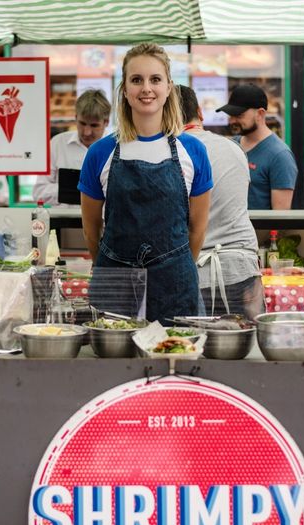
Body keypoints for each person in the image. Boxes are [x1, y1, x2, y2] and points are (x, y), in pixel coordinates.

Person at [78, 43, 212, 324]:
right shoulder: (100, 153)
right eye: (136, 80)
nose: (146, 88)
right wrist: (110, 266)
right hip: (114, 279)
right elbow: (91, 229)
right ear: (125, 90)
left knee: (176, 358)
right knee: (111, 362)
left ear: (168, 88)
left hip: (175, 281)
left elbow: (198, 229)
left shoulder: (193, 151)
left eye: (155, 79)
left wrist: (175, 264)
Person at [177, 85, 265, 319]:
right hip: (243, 268)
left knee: (197, 350)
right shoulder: (234, 148)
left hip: (198, 272)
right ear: (199, 112)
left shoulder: (172, 152)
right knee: (248, 348)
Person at [216, 83, 298, 210]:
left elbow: (281, 217)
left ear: (260, 114)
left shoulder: (280, 156)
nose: (232, 121)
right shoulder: (232, 146)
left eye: (239, 115)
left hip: (258, 230)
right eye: (230, 115)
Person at [33, 89, 111, 207]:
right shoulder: (57, 144)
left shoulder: (115, 148)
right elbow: (38, 193)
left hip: (102, 224)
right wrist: (74, 190)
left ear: (106, 122)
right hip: (64, 223)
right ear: (75, 117)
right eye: (82, 123)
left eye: (94, 125)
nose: (87, 132)